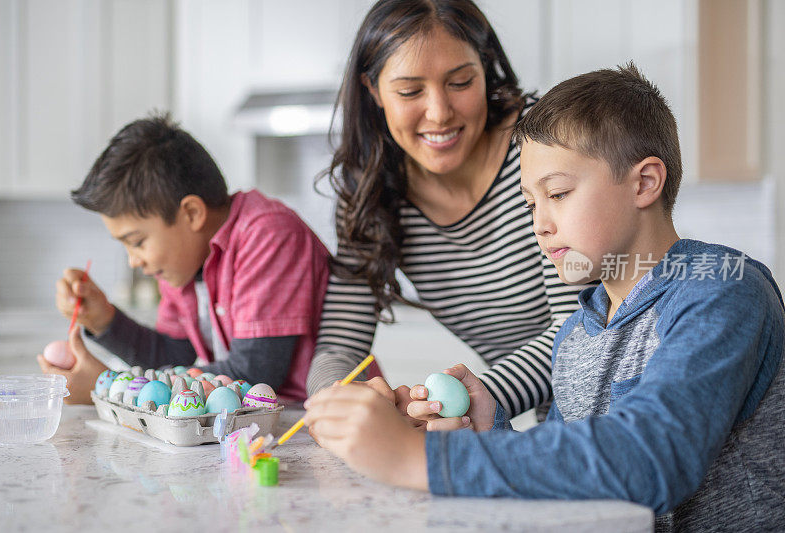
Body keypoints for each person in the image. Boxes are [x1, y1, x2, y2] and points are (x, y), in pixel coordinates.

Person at [303, 64, 785, 530]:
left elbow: (649, 458)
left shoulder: (720, 291)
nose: (540, 224)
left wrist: (418, 460)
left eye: (557, 194)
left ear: (644, 182)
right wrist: (485, 424)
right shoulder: (576, 333)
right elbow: (576, 478)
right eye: (530, 203)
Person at [309, 0, 587, 421]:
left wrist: (465, 399)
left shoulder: (542, 146)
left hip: (614, 406)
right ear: (372, 90)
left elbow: (580, 329)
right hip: (554, 426)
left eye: (460, 82)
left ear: (486, 67)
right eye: (409, 91)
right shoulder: (372, 192)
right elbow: (339, 344)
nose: (439, 112)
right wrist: (339, 402)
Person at [38, 113, 330, 405]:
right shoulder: (185, 260)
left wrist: (109, 387)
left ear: (191, 213)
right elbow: (171, 356)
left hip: (311, 421)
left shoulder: (267, 234)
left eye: (137, 242)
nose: (134, 261)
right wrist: (104, 320)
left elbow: (253, 373)